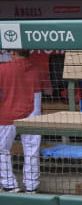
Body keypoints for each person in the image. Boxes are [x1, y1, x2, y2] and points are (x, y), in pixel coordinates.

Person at [0, 50, 44, 194]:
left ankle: (9, 185)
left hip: (7, 115)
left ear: (12, 52)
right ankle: (31, 187)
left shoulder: (3, 68)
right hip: (32, 115)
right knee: (32, 151)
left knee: (2, 150)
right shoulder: (37, 69)